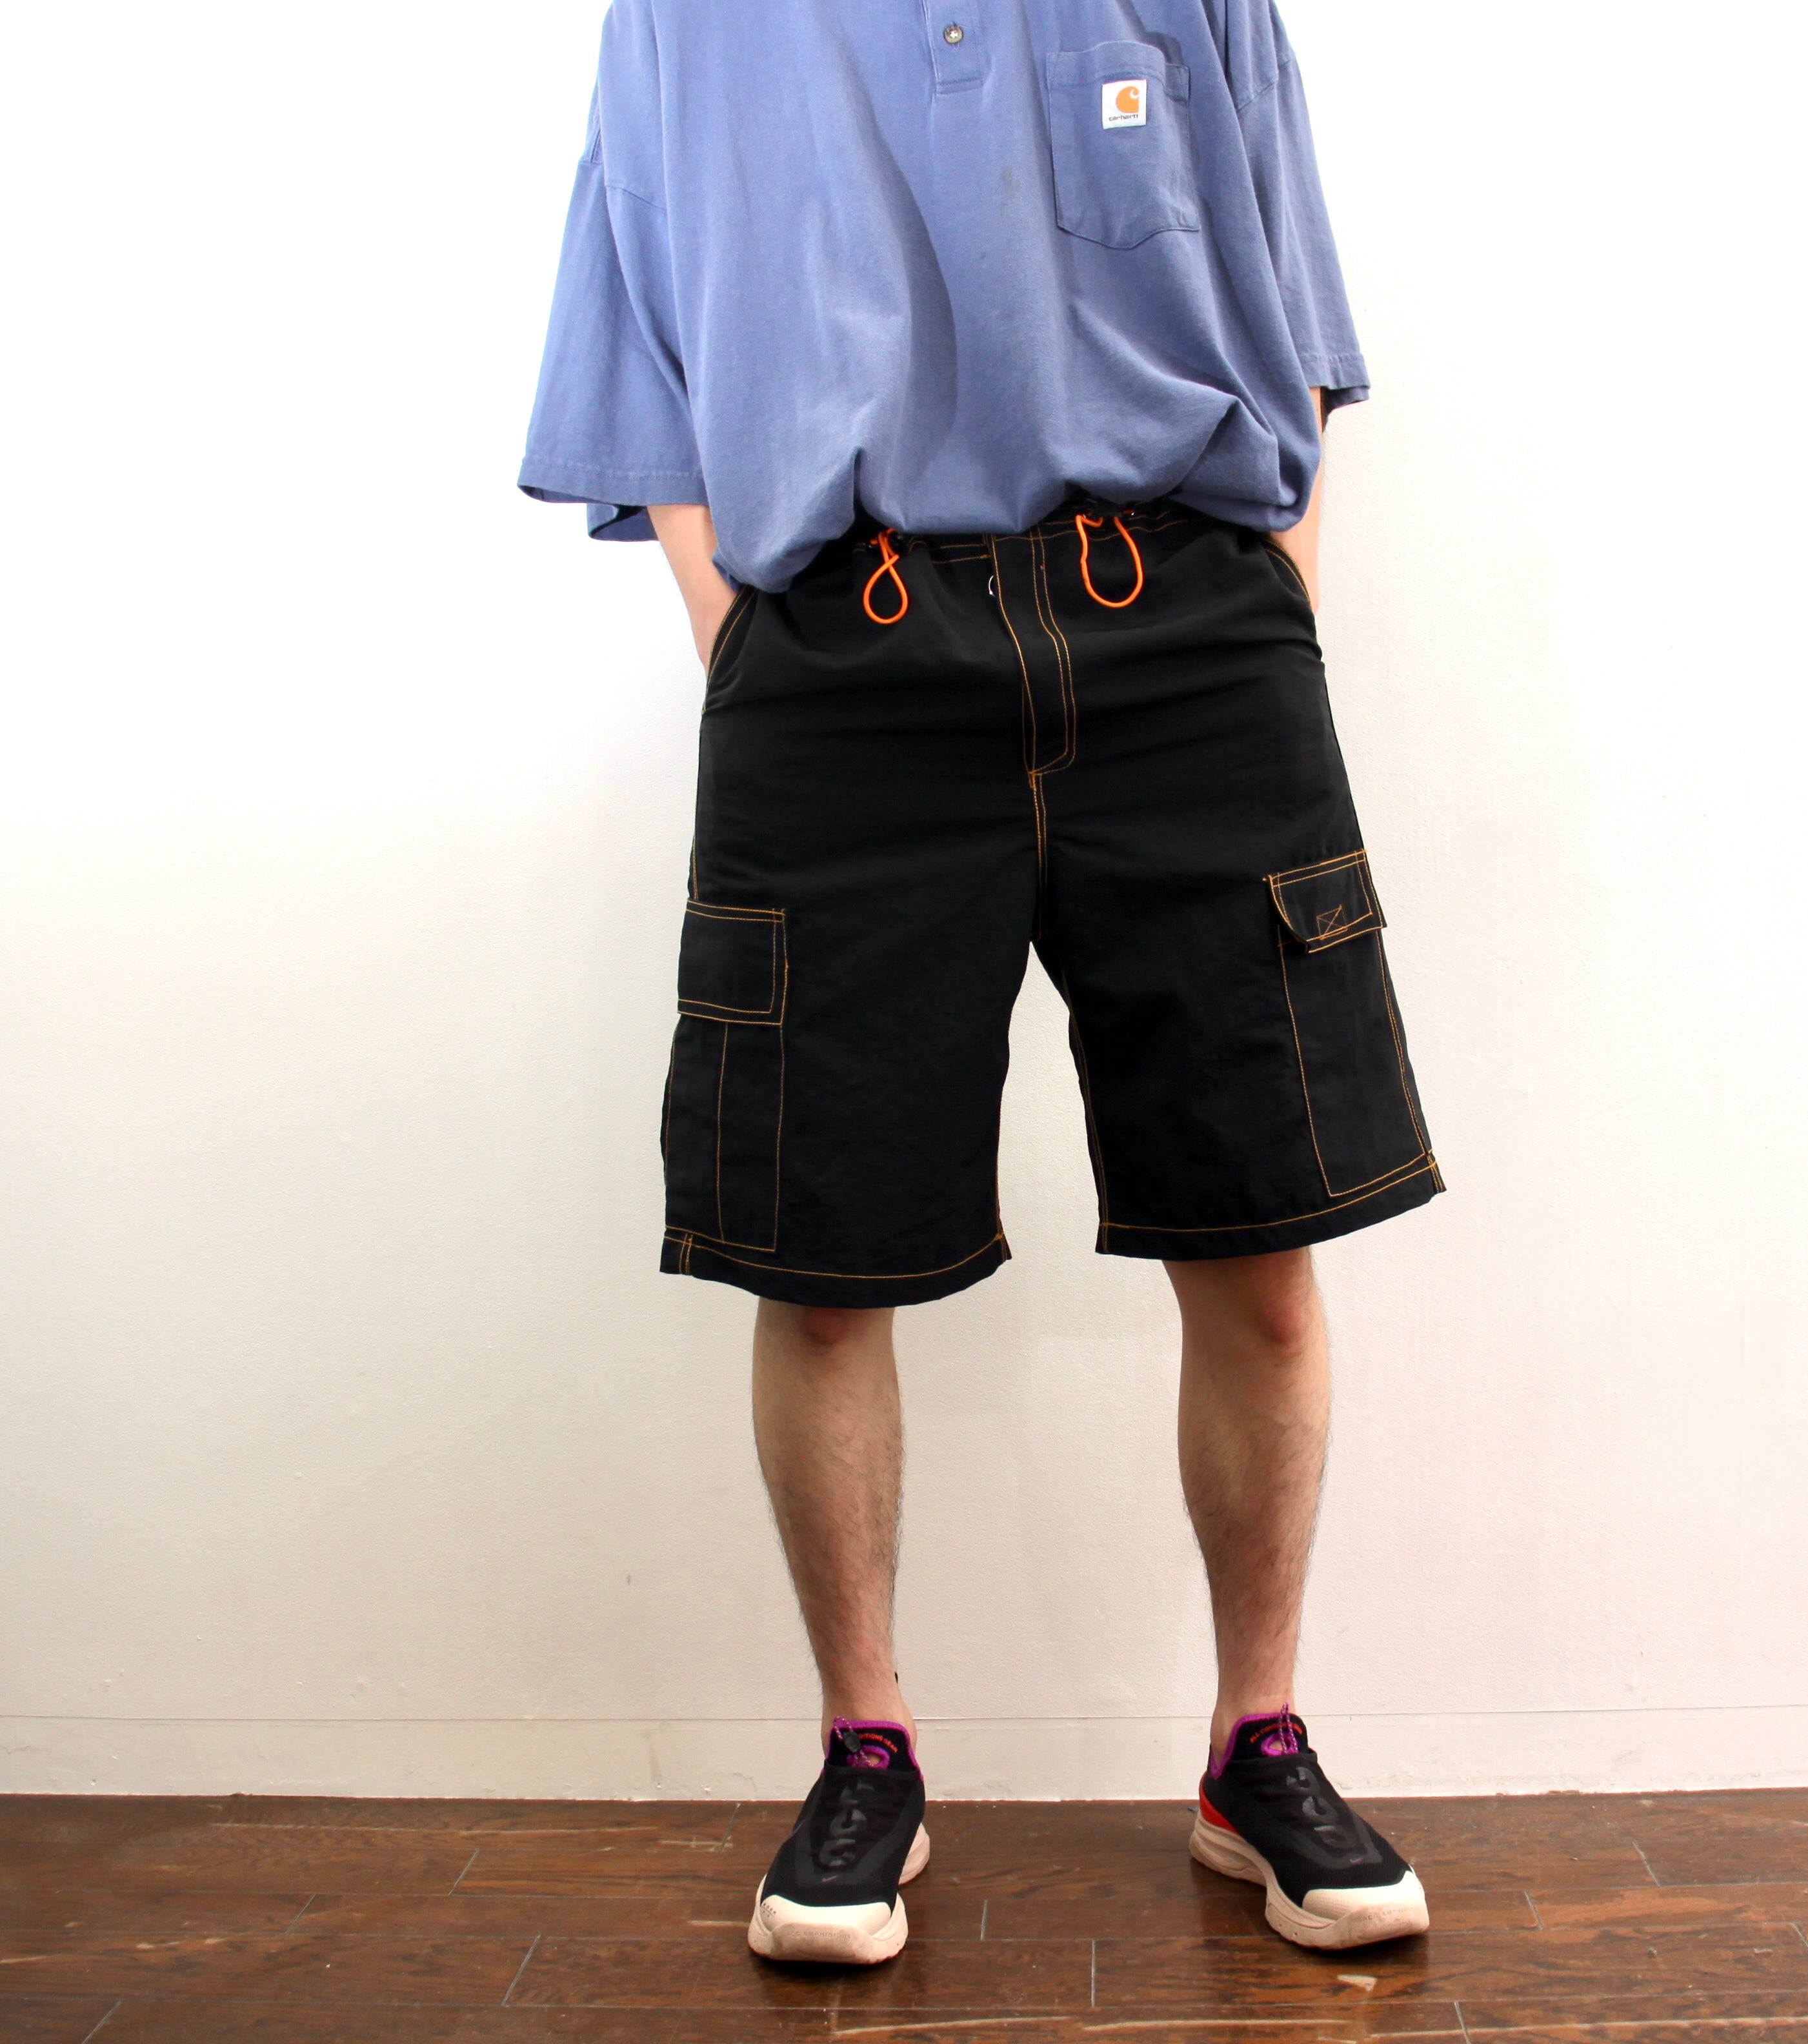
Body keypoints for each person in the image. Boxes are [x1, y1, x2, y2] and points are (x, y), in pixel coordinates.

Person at [521, 0, 1441, 1967]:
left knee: (1264, 1233)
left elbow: (1295, 289)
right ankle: (867, 1750)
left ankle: (1256, 1744)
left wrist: (1270, 596)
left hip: (1183, 627)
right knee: (819, 1260)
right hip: (839, 649)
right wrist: (744, 643)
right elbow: (638, 339)